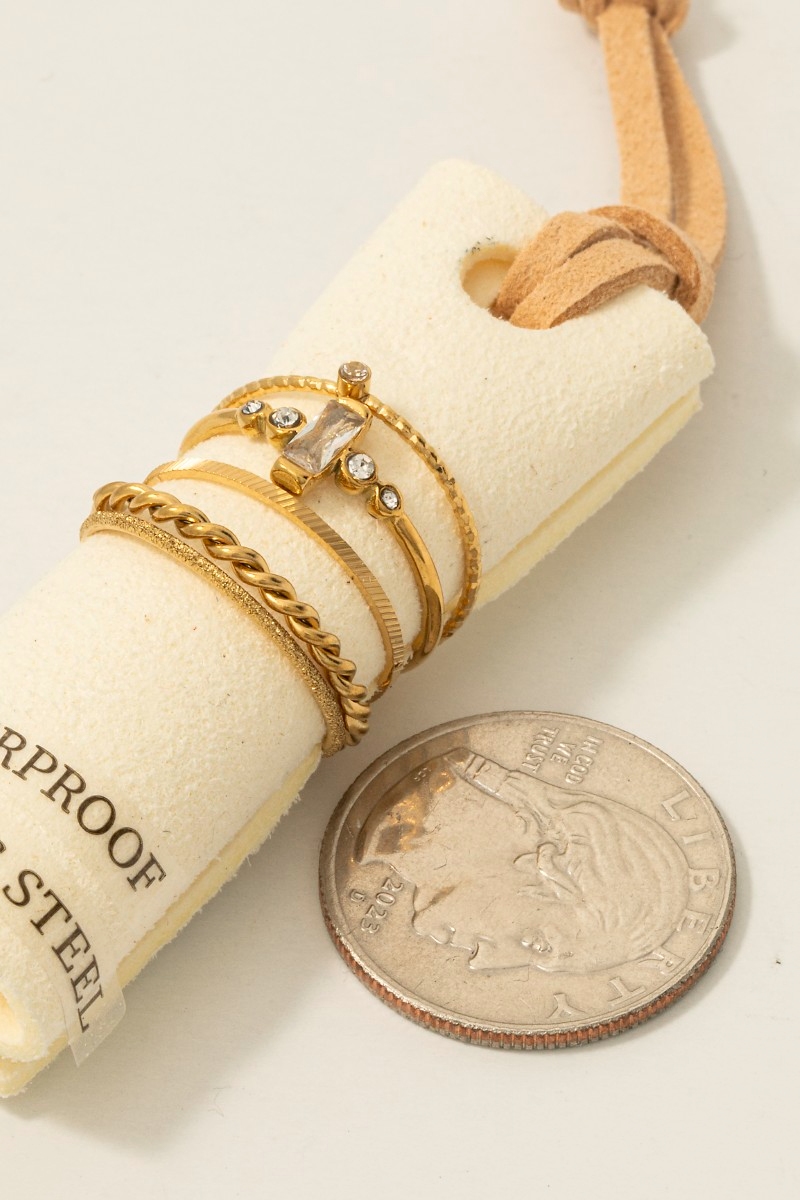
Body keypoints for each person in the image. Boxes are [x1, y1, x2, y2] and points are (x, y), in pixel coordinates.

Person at [356, 746, 689, 974]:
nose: (481, 962)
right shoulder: (402, 813)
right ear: (546, 869)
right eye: (537, 942)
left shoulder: (388, 831)